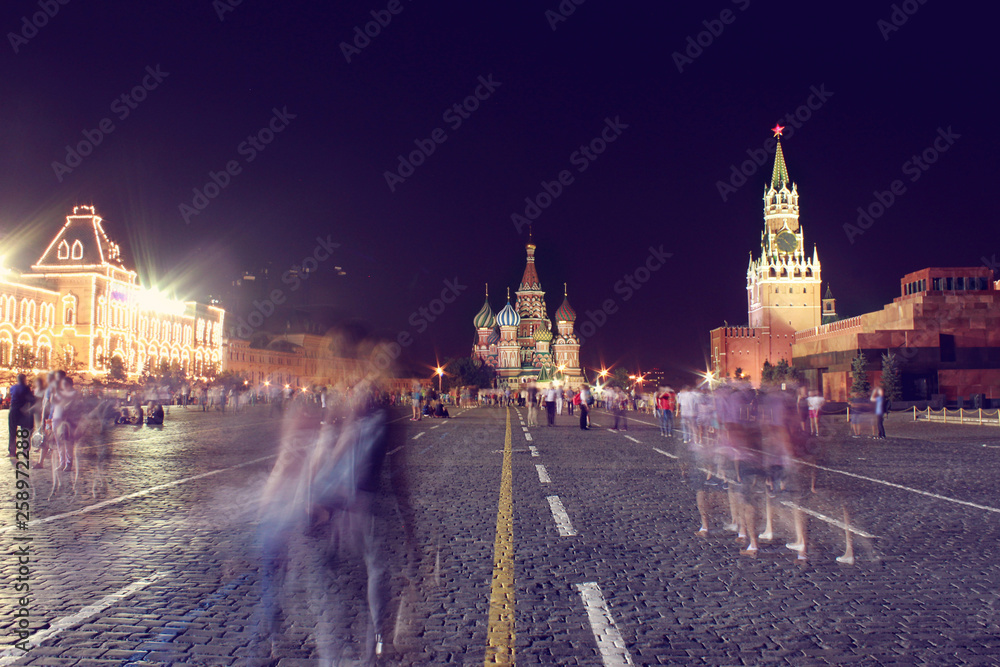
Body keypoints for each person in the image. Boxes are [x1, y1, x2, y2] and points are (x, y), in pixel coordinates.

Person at [8, 374, 35, 458]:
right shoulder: (26, 388)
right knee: (25, 432)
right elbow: (31, 399)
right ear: (24, 379)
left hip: (13, 410)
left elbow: (12, 395)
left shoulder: (12, 387)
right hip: (23, 411)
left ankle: (12, 451)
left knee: (12, 432)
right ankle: (25, 450)